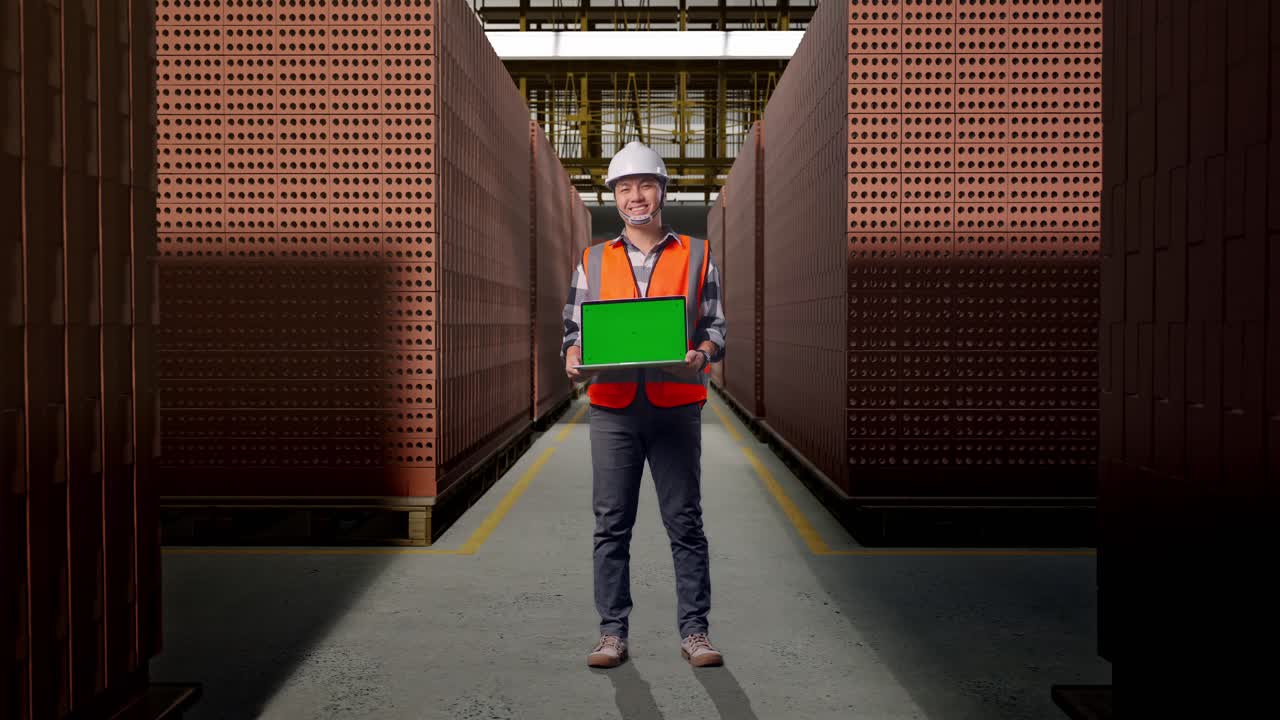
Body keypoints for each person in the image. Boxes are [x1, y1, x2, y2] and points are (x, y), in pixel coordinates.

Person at [560, 141, 727, 669]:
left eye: (646, 184)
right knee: (612, 523)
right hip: (612, 407)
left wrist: (701, 354)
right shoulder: (592, 258)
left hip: (676, 403)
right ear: (614, 196)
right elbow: (574, 327)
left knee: (685, 522)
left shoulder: (697, 253)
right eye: (625, 187)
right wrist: (571, 355)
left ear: (662, 191)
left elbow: (716, 327)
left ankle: (695, 632)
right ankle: (612, 633)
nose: (636, 196)